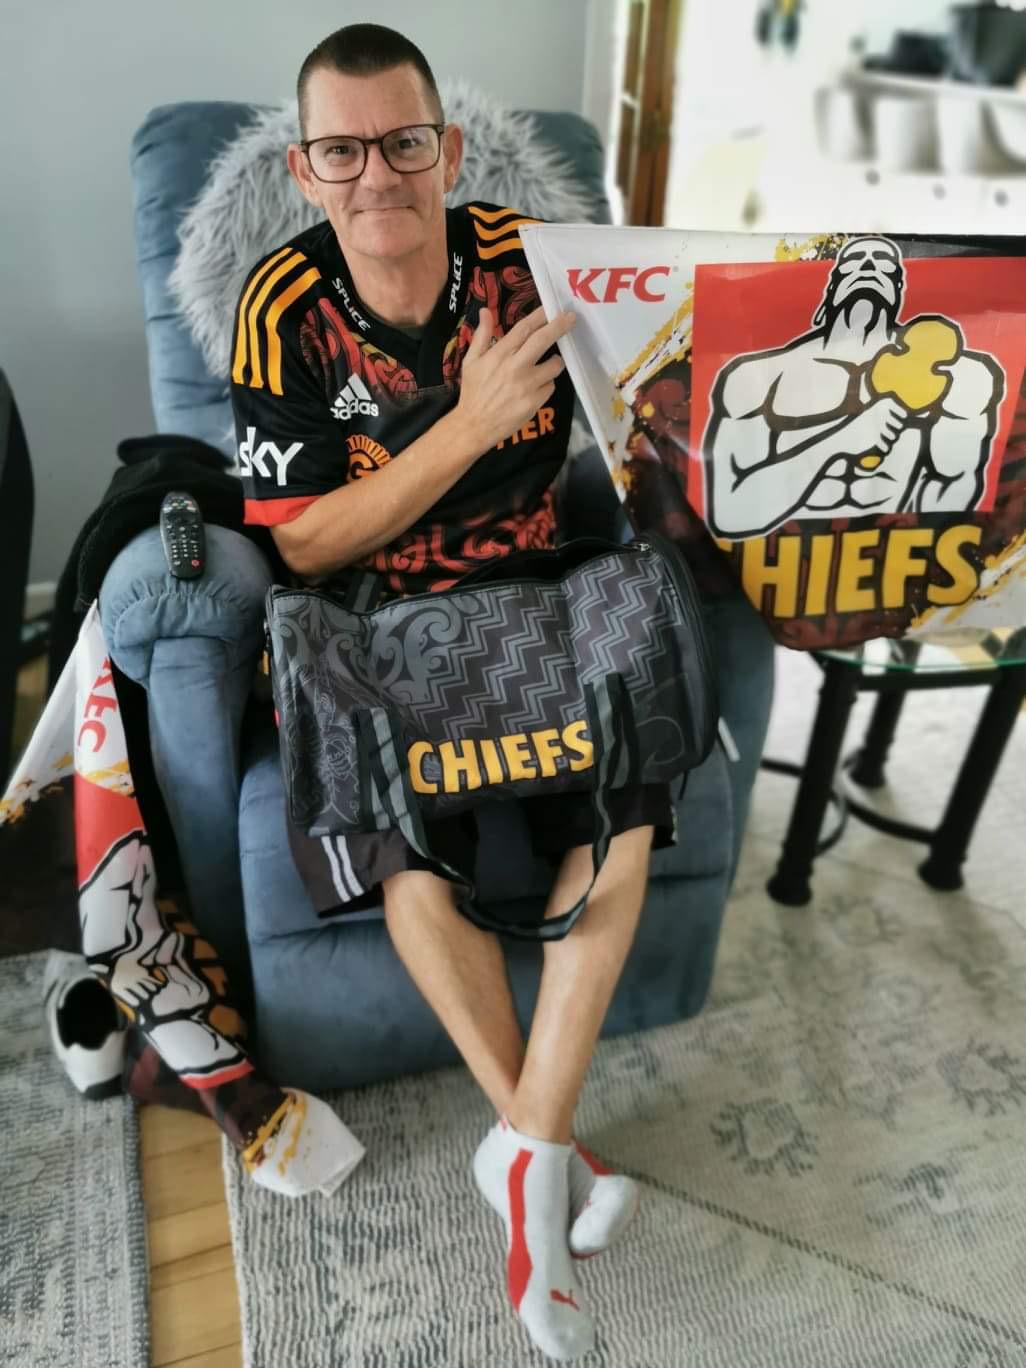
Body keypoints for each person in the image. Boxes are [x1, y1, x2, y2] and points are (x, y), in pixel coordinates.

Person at [229, 22, 676, 1360]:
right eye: (342, 150)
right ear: (305, 169)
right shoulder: (281, 308)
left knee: (636, 777)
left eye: (404, 142)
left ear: (450, 149)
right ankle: (543, 1147)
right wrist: (470, 424)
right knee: (394, 834)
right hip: (377, 619)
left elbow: (658, 386)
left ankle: (527, 1147)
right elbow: (302, 545)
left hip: (539, 595)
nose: (377, 174)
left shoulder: (532, 266)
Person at [703, 235, 1004, 539]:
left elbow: (954, 492)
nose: (869, 268)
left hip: (893, 549)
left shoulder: (958, 378)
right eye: (854, 263)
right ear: (831, 286)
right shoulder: (759, 376)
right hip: (780, 548)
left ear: (899, 288)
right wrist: (840, 441)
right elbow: (731, 513)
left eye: (884, 265)